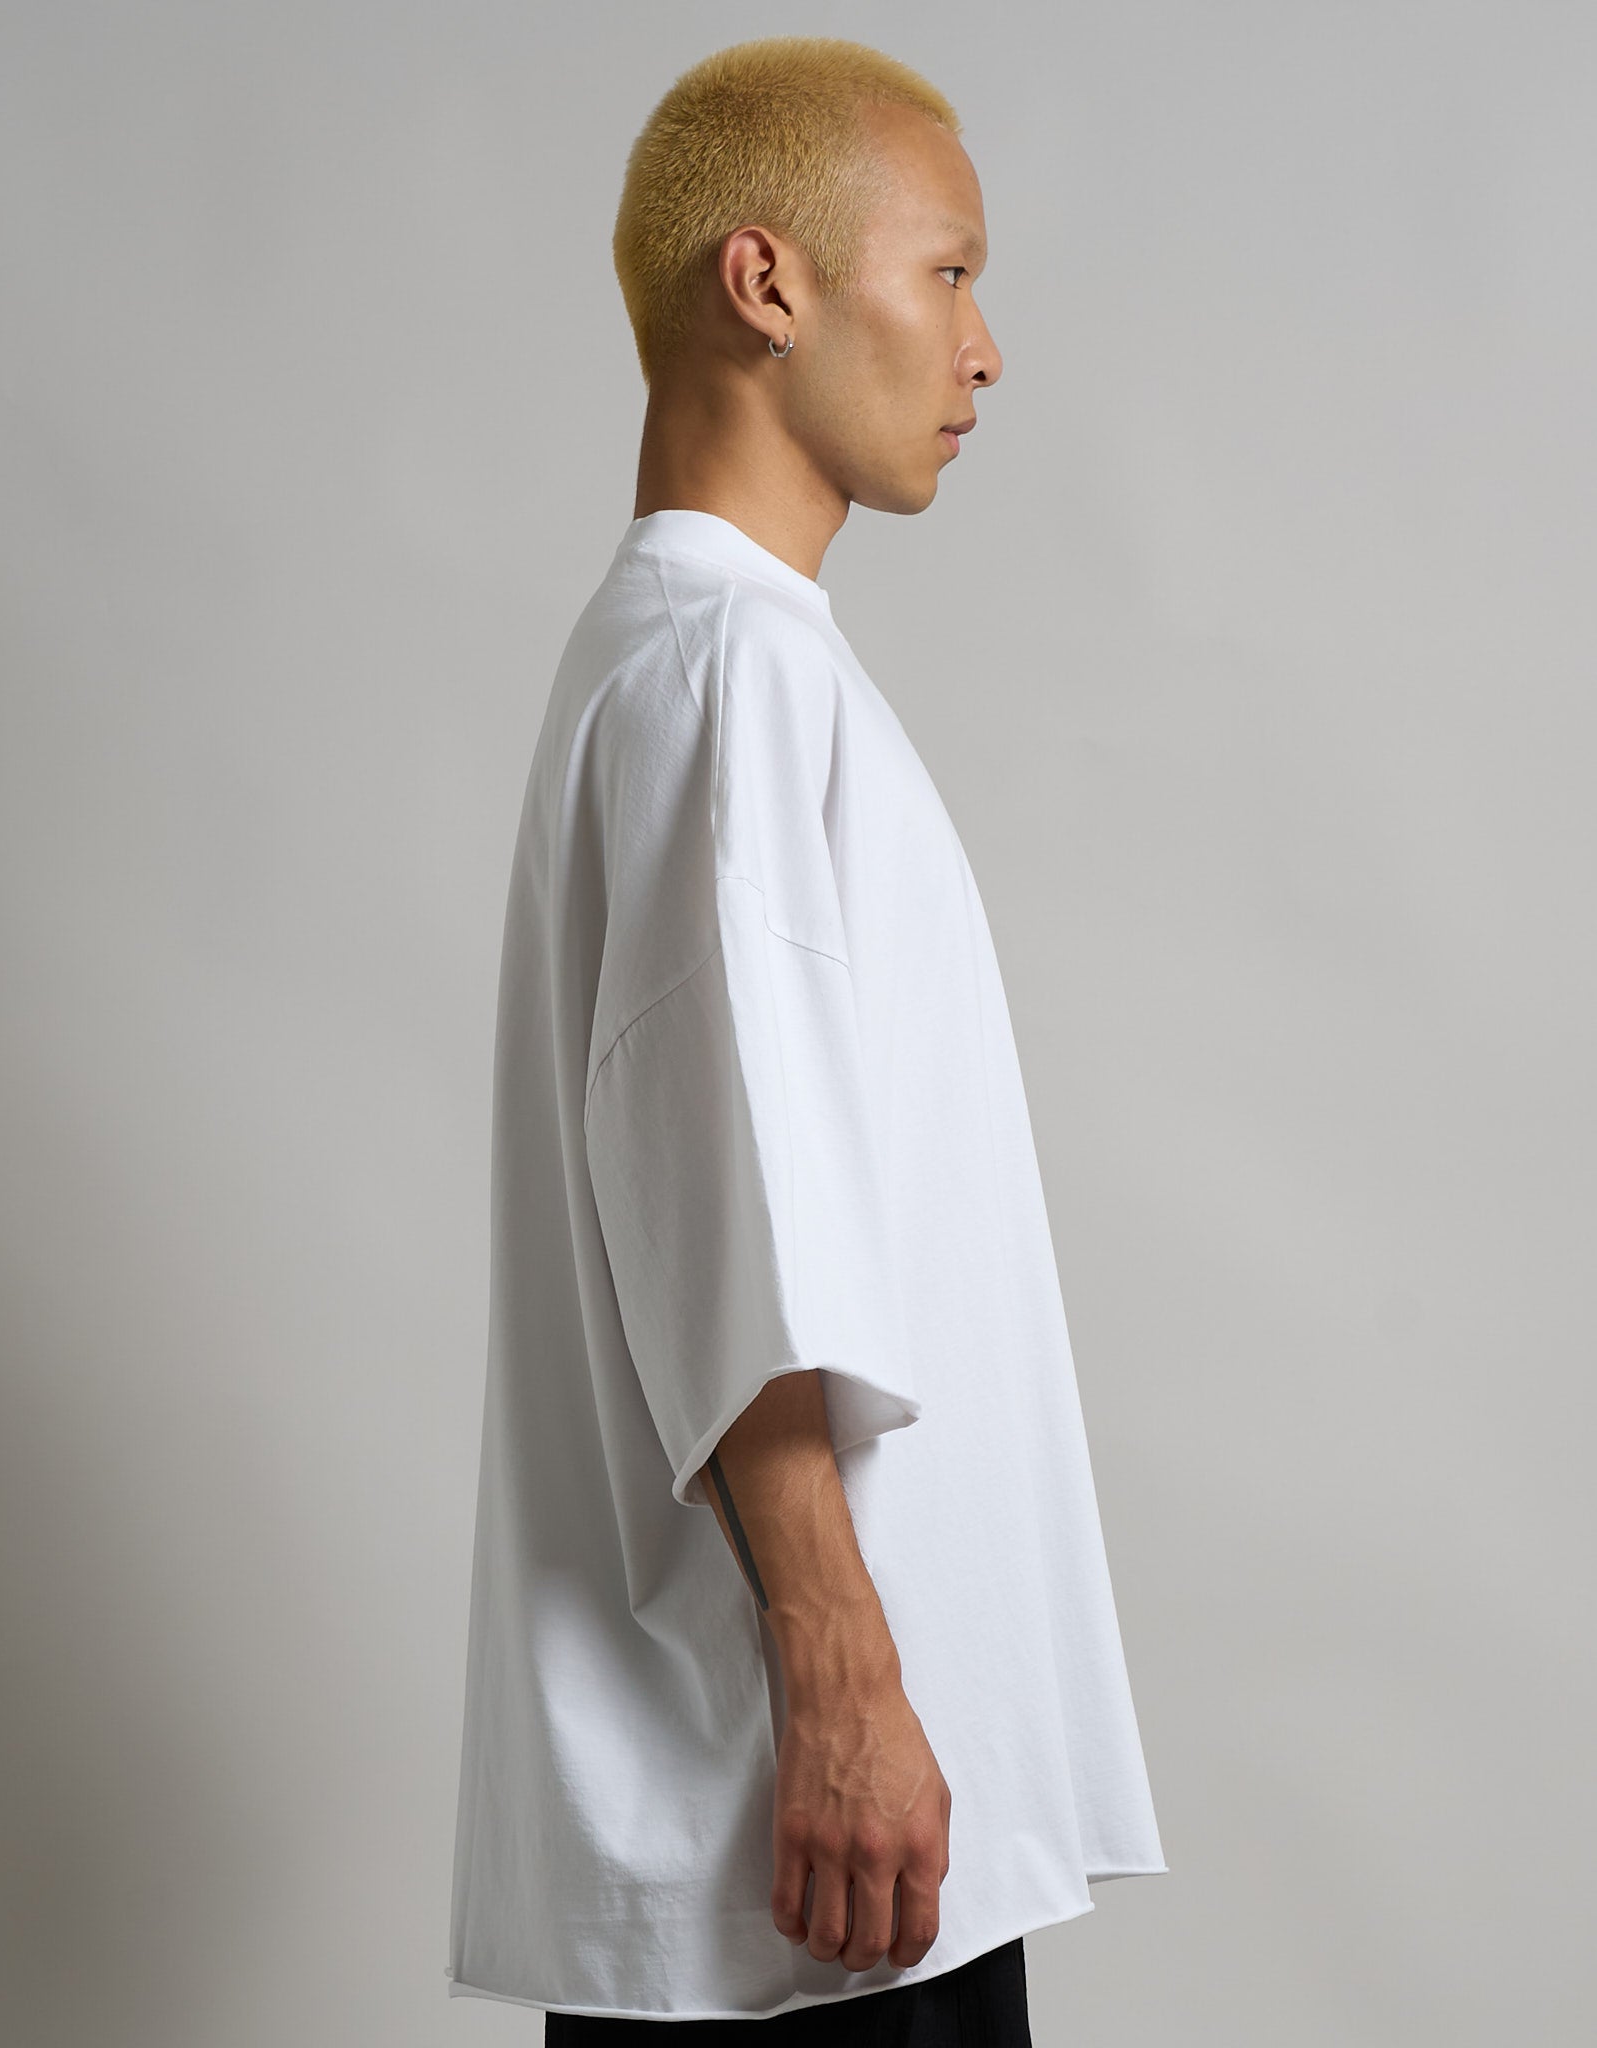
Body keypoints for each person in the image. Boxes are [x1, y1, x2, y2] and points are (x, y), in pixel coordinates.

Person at [445, 34, 1168, 2039]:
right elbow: (734, 1205)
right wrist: (844, 1683)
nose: (983, 348)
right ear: (765, 283)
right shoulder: (722, 673)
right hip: (814, 1823)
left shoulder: (688, 662)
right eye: (948, 272)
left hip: (807, 1808)